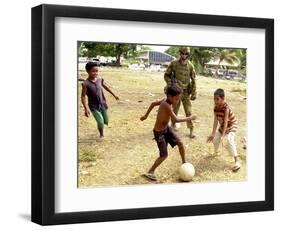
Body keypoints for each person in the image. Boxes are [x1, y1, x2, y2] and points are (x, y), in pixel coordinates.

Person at [140, 85, 196, 181]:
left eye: (179, 99)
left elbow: (153, 103)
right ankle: (150, 171)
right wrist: (190, 118)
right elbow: (176, 119)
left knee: (180, 143)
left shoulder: (166, 101)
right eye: (176, 99)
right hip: (159, 133)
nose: (178, 101)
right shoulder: (166, 105)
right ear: (169, 96)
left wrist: (146, 116)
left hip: (166, 128)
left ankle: (184, 162)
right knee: (164, 155)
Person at [164, 47, 197, 138]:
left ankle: (191, 130)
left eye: (186, 54)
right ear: (180, 53)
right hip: (176, 92)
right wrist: (171, 84)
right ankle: (172, 126)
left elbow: (194, 80)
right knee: (174, 110)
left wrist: (194, 92)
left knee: (188, 111)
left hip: (186, 92)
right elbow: (167, 75)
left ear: (188, 55)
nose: (184, 55)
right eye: (182, 53)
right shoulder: (174, 63)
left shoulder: (190, 66)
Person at [81, 62, 119, 139]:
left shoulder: (100, 80)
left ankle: (101, 126)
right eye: (93, 71)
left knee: (106, 120)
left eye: (96, 71)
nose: (95, 73)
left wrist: (114, 95)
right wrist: (85, 108)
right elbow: (83, 96)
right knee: (100, 121)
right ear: (87, 71)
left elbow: (106, 87)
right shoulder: (85, 83)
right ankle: (101, 135)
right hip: (93, 106)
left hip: (102, 103)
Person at [207, 88, 241, 171]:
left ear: (223, 99)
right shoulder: (215, 108)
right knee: (215, 139)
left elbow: (226, 121)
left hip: (231, 124)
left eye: (217, 99)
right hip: (223, 126)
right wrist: (213, 133)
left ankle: (237, 161)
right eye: (214, 99)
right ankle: (216, 152)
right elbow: (215, 121)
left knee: (229, 140)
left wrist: (223, 136)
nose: (215, 101)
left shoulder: (226, 107)